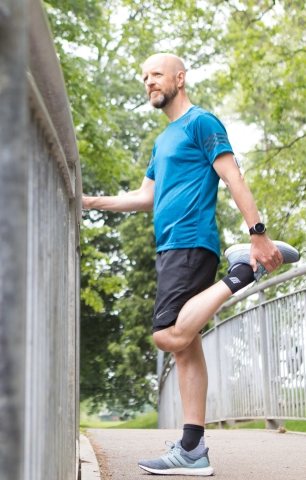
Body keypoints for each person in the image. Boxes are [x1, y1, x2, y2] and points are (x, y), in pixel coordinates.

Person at [81, 53, 300, 476]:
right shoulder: (163, 141)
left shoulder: (202, 123)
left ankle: (242, 273)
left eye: (156, 75)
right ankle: (192, 447)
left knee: (167, 336)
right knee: (186, 349)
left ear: (180, 79)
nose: (148, 82)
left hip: (189, 242)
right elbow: (144, 198)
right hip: (170, 247)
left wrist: (258, 233)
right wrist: (89, 202)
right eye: (143, 77)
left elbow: (233, 175)